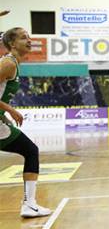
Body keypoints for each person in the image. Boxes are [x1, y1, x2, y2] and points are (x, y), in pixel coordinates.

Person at [1, 28, 53, 218]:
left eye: (29, 37)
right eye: (24, 38)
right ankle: (29, 204)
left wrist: (4, 115)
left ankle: (30, 204)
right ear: (12, 44)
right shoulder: (8, 63)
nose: (29, 40)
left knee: (30, 150)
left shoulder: (12, 63)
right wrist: (10, 110)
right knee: (31, 150)